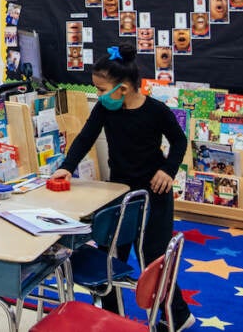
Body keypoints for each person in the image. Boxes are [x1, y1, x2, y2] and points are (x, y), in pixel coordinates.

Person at [52, 43, 194, 331]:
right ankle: (111, 316)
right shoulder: (105, 110)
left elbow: (179, 141)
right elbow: (85, 138)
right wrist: (66, 166)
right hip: (120, 194)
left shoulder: (156, 111)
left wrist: (168, 171)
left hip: (155, 196)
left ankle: (178, 315)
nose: (98, 95)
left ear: (125, 89)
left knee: (154, 258)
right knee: (110, 256)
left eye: (102, 90)